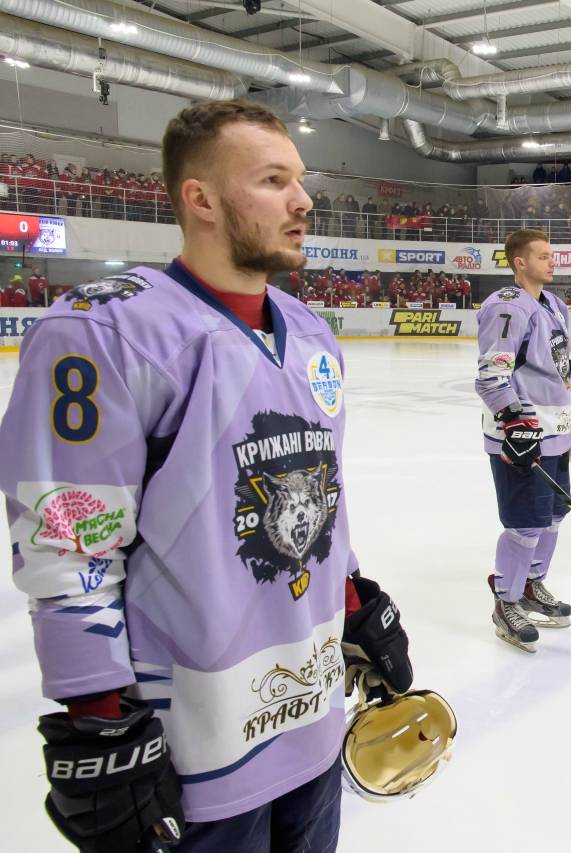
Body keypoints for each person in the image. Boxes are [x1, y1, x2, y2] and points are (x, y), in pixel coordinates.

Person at [0, 99, 418, 852]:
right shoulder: (103, 334)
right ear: (200, 199)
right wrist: (96, 715)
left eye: (300, 179)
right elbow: (68, 545)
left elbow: (318, 506)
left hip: (313, 722)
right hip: (196, 751)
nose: (303, 200)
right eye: (272, 180)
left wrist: (356, 602)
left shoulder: (314, 336)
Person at [475, 228, 571, 654]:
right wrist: (516, 423)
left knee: (553, 515)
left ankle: (531, 585)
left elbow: (563, 367)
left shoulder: (553, 305)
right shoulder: (506, 308)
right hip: (521, 436)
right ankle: (506, 602)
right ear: (520, 263)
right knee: (525, 521)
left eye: (553, 255)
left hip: (557, 432)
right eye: (544, 256)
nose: (553, 262)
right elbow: (492, 376)